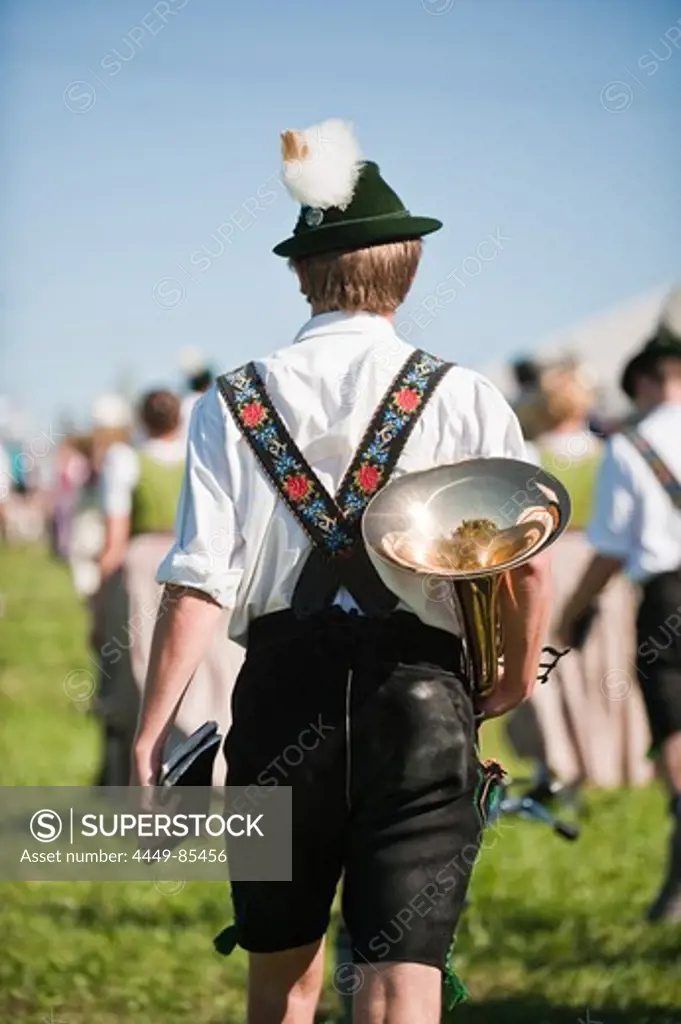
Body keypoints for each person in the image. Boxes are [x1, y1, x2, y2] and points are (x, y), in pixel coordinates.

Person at [131, 119, 553, 1024]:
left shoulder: (231, 398)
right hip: (423, 699)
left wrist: (149, 731)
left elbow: (195, 583)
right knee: (403, 981)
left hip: (280, 699)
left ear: (300, 271)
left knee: (280, 977)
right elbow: (523, 569)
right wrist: (512, 678)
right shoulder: (467, 393)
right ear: (409, 270)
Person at [559, 305, 681, 922]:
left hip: (667, 597)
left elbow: (608, 548)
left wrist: (572, 614)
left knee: (675, 729)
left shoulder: (630, 445)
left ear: (640, 383)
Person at [508, 361, 652, 788]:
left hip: (552, 556)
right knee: (610, 660)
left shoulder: (533, 455)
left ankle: (565, 761)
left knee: (555, 660)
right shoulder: (608, 451)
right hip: (601, 559)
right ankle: (616, 764)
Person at [94, 388, 240, 786]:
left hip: (145, 568)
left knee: (145, 673)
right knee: (210, 675)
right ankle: (213, 771)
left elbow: (114, 540)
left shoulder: (126, 461)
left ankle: (149, 771)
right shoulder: (200, 448)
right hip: (203, 562)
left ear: (143, 420)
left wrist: (100, 605)